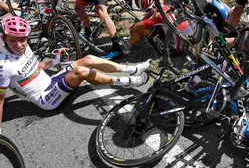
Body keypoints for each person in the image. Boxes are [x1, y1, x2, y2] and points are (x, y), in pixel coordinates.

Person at [0, 16, 151, 130]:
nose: (19, 45)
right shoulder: (4, 66)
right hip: (46, 99)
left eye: (22, 39)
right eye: (13, 41)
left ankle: (133, 69)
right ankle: (130, 82)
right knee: (80, 71)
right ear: (3, 39)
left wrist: (55, 59)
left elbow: (37, 67)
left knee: (88, 58)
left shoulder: (24, 48)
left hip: (52, 82)